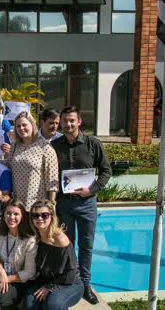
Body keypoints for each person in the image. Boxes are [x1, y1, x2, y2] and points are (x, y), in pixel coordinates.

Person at [51, 106, 112, 304]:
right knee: (66, 244)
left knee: (86, 246)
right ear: (60, 123)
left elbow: (106, 172)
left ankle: (85, 284)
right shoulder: (56, 145)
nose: (68, 124)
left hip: (86, 203)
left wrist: (91, 190)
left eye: (72, 121)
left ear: (79, 122)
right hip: (64, 204)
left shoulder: (92, 144)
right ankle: (69, 280)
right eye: (65, 121)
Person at [24, 200, 84, 310]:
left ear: (52, 217)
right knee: (29, 304)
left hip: (70, 283)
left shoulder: (60, 239)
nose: (39, 219)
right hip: (46, 280)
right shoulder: (36, 236)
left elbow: (70, 273)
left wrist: (50, 288)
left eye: (44, 215)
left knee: (52, 304)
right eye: (35, 215)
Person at [0, 199, 37, 310]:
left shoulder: (30, 239)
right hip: (1, 272)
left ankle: (13, 300)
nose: (11, 217)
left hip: (17, 279)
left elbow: (29, 272)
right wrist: (1, 272)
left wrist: (4, 279)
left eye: (16, 214)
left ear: (22, 216)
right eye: (8, 213)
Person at [4, 112, 58, 211]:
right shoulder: (15, 146)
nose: (21, 128)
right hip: (18, 203)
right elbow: (9, 168)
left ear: (32, 125)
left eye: (24, 125)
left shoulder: (45, 147)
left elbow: (52, 178)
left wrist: (51, 204)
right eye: (18, 126)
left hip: (38, 204)